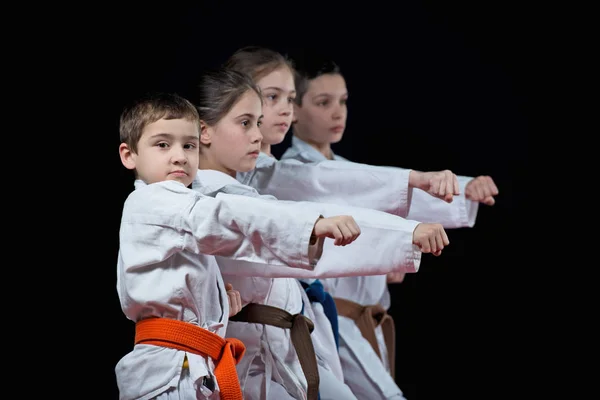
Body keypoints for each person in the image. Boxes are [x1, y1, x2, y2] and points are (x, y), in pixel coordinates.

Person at [224, 45, 498, 399]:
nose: (283, 110)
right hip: (277, 330)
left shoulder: (275, 171)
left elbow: (348, 187)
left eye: (288, 98)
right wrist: (405, 231)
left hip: (301, 325)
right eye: (272, 97)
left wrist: (443, 199)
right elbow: (325, 189)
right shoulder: (260, 178)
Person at [190, 67, 452, 400]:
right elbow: (283, 217)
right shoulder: (205, 201)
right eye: (245, 123)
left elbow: (330, 186)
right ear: (205, 131)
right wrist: (402, 233)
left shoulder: (242, 189)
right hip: (244, 358)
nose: (258, 135)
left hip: (280, 348)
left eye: (258, 123)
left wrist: (406, 230)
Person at [116, 92, 366, 400]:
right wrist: (309, 224)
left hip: (190, 366)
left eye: (189, 145)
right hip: (170, 373)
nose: (179, 156)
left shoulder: (177, 206)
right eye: (163, 145)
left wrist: (218, 302)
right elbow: (223, 216)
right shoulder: (152, 201)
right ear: (129, 155)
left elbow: (173, 288)